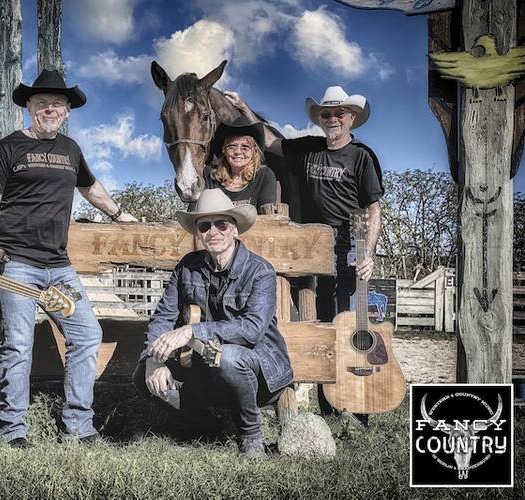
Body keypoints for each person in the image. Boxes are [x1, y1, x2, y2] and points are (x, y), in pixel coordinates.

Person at [0, 69, 137, 448]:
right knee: (18, 345)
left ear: (67, 111)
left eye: (57, 104)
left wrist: (120, 214)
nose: (50, 109)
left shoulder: (71, 150)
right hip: (16, 264)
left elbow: (90, 188)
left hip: (59, 267)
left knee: (87, 334)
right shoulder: (7, 149)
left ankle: (78, 426)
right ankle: (13, 430)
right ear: (29, 106)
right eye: (42, 102)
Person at [226, 86, 383, 425]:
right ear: (319, 119)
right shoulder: (308, 148)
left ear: (351, 117)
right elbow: (270, 142)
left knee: (350, 322)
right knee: (324, 322)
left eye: (339, 113)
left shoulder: (361, 156)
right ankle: (331, 408)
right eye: (326, 114)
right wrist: (244, 107)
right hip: (314, 246)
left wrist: (368, 252)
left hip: (350, 244)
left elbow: (373, 208)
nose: (333, 119)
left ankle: (360, 407)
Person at [133, 189, 293, 457]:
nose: (213, 232)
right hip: (205, 369)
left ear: (235, 229)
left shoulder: (260, 271)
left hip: (259, 372)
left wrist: (192, 331)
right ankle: (208, 429)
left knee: (228, 357)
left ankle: (251, 437)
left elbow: (252, 329)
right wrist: (153, 358)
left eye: (222, 224)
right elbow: (163, 316)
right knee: (143, 375)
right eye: (205, 226)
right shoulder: (187, 267)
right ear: (198, 232)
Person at [200, 117, 278, 213]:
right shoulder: (210, 176)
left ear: (254, 152)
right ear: (224, 150)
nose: (238, 152)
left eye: (245, 147)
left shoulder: (264, 176)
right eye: (232, 146)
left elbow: (267, 215)